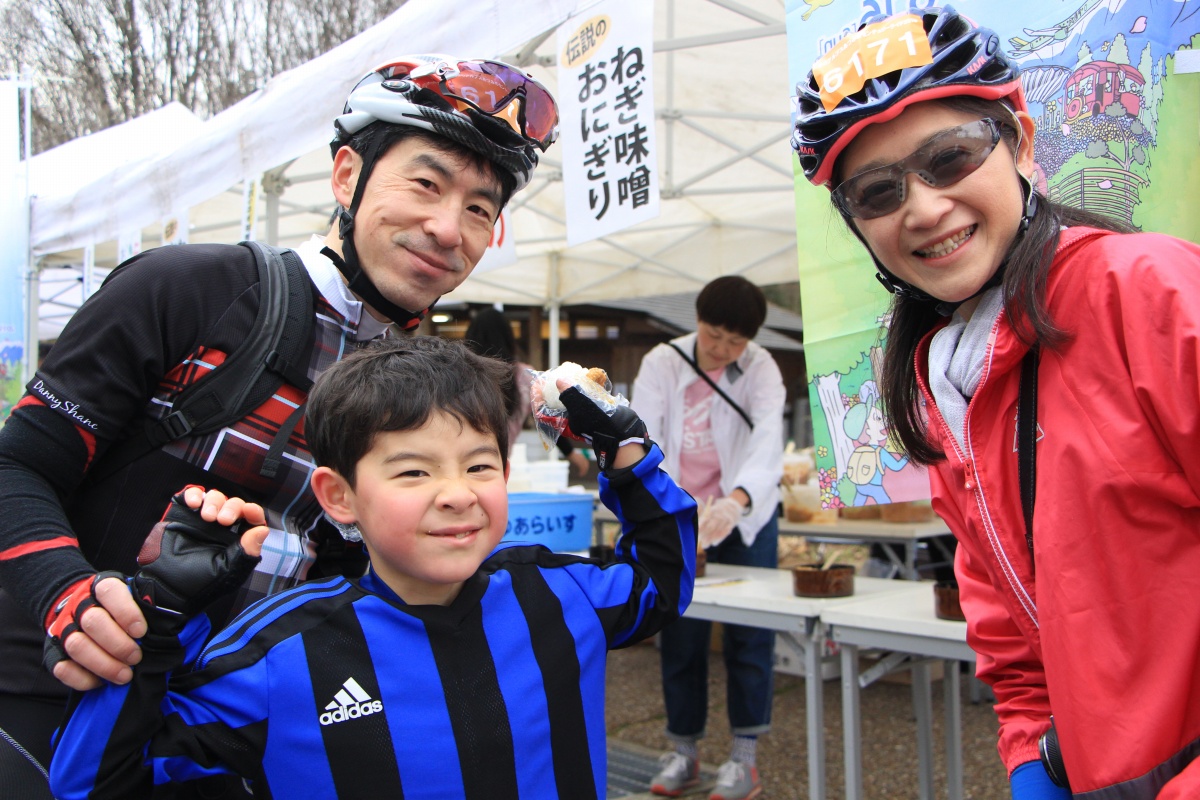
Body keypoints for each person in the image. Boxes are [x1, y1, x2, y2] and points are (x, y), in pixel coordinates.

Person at [0, 54, 558, 798]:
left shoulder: (425, 377)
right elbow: (17, 467)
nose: (446, 227)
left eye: (481, 209)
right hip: (63, 695)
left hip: (241, 723)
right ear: (345, 176)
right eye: (425, 183)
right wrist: (66, 594)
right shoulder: (187, 289)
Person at [792, 7, 1200, 798]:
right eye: (878, 192)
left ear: (1020, 141)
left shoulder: (1151, 292)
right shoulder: (945, 376)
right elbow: (1010, 625)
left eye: (949, 157)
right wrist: (1031, 757)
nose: (923, 207)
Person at [48, 335, 698, 799]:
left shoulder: (560, 594)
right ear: (339, 497)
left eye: (479, 464)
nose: (457, 492)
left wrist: (625, 454)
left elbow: (664, 583)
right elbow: (96, 781)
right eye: (414, 470)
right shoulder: (279, 654)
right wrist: (161, 619)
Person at [631, 276, 785, 800]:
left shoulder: (760, 367)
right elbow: (644, 438)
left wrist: (737, 502)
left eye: (735, 342)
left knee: (750, 637)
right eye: (714, 335)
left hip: (743, 514)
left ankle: (744, 757)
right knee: (681, 630)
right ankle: (683, 750)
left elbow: (769, 437)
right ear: (697, 321)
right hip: (680, 513)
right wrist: (679, 512)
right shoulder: (663, 362)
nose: (722, 349)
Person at [462, 306, 591, 478]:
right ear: (508, 338)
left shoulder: (460, 373)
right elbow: (548, 420)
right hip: (496, 469)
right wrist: (570, 453)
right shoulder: (524, 377)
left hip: (459, 464)